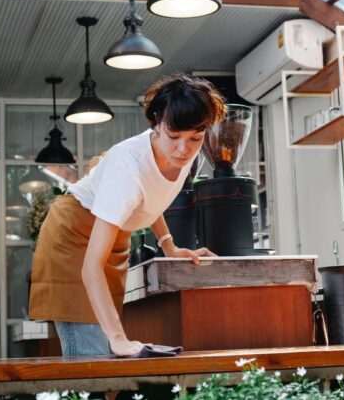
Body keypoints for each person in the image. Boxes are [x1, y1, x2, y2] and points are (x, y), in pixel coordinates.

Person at [29, 74, 227, 357]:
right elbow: (90, 267)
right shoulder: (128, 167)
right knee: (93, 353)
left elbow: (151, 197)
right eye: (174, 137)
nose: (184, 149)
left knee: (108, 352)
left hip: (113, 234)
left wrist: (168, 245)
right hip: (72, 233)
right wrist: (119, 339)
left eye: (196, 137)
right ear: (156, 124)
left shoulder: (181, 151)